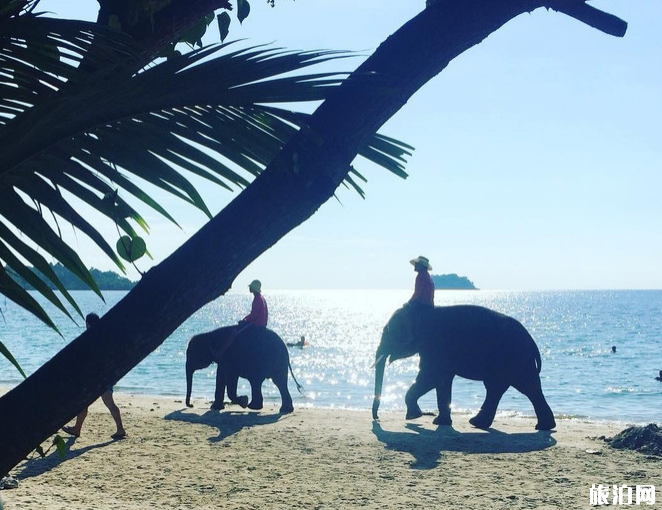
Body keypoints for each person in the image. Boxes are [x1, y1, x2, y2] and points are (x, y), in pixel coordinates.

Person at [62, 313, 127, 440]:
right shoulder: (105, 336)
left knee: (105, 402)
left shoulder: (92, 337)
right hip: (105, 375)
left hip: (98, 377)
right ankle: (77, 428)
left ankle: (120, 429)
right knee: (92, 403)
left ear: (88, 323)